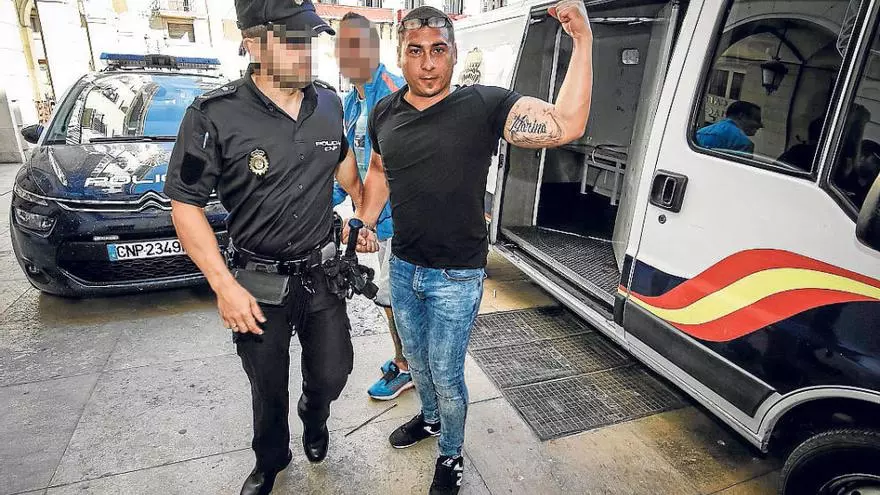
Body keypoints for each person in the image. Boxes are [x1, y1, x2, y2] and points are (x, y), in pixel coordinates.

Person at [348, 3, 594, 493]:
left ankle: (451, 453)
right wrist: (365, 217)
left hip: (456, 275)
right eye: (415, 51)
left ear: (455, 54)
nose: (427, 64)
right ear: (400, 54)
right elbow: (378, 169)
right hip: (404, 266)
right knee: (417, 362)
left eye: (438, 50)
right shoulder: (384, 112)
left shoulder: (483, 106)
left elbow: (566, 124)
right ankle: (430, 419)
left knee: (446, 372)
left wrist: (583, 40)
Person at [163, 0, 364, 493]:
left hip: (320, 274)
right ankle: (271, 459)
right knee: (267, 386)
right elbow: (185, 207)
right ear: (253, 44)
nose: (306, 53)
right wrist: (223, 286)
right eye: (291, 42)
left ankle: (315, 413)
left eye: (309, 41)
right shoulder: (214, 115)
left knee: (334, 372)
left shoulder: (329, 103)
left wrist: (364, 209)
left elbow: (343, 163)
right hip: (256, 281)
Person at [332, 12, 413, 400]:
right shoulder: (352, 101)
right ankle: (405, 359)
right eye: (341, 46)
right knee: (390, 300)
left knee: (398, 301)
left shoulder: (395, 94)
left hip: (403, 223)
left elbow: (401, 169)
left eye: (355, 45)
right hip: (374, 221)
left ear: (372, 48)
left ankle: (407, 366)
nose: (346, 55)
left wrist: (369, 219)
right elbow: (349, 167)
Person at [696, 100, 763, 153]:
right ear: (741, 116)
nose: (761, 125)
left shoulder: (701, 133)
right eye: (757, 119)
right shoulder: (744, 143)